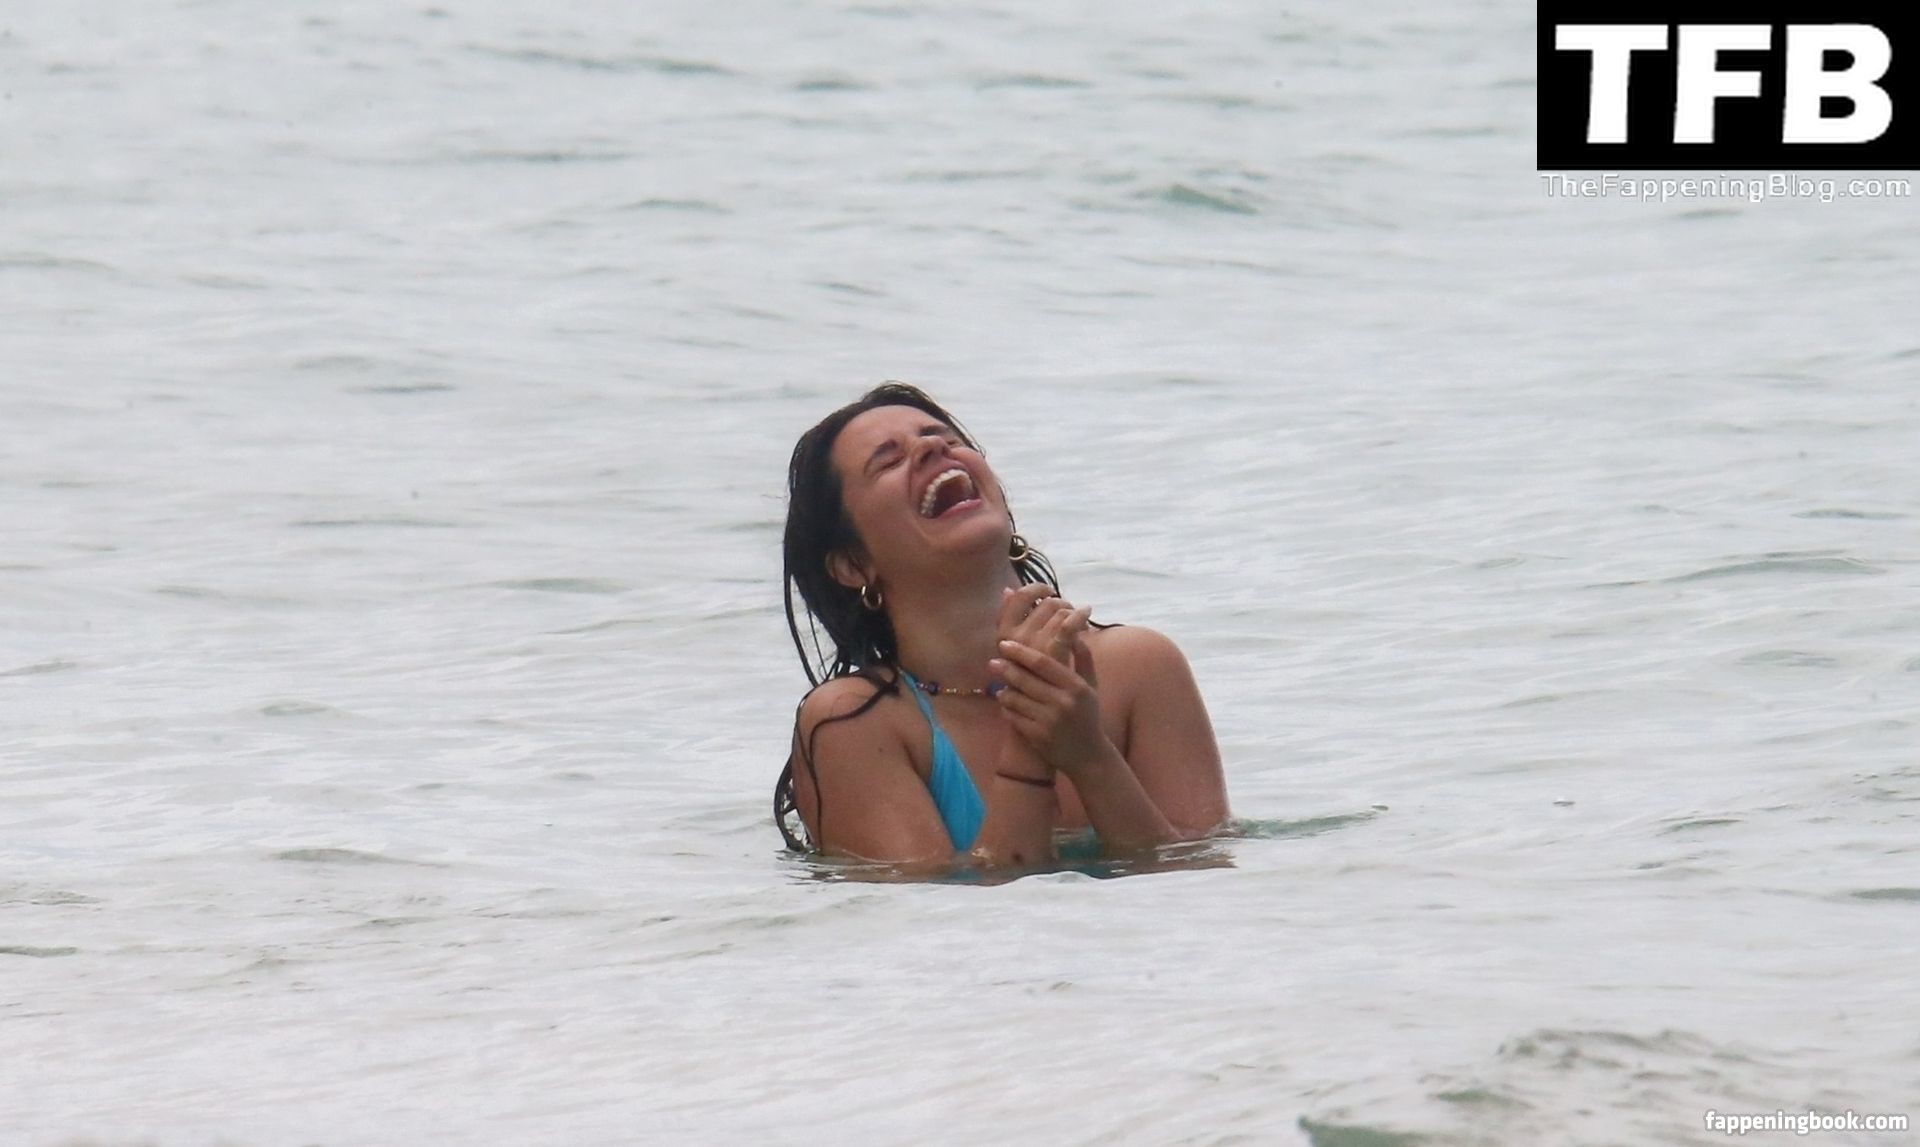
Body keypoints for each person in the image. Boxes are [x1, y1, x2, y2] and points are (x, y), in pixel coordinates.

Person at [775, 382, 1229, 869]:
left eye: (945, 439)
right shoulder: (852, 723)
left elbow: (1195, 881)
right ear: (853, 564)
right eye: (888, 461)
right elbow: (943, 914)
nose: (933, 448)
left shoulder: (1142, 667)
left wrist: (1089, 755)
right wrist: (1031, 741)